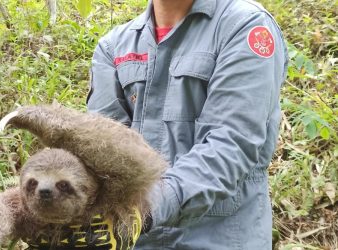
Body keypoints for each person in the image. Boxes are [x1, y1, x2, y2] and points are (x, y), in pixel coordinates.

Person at [87, 0, 288, 249]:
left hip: (219, 240)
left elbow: (230, 145)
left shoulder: (244, 26)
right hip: (135, 241)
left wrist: (144, 208)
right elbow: (101, 152)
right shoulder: (114, 46)